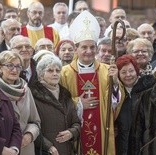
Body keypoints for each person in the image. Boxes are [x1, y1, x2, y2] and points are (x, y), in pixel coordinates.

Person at [60, 10, 124, 155]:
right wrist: (78, 103)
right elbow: (59, 102)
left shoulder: (107, 71)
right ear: (76, 48)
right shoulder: (65, 73)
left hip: (101, 128)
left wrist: (115, 83)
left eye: (92, 47)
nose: (89, 51)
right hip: (76, 131)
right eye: (84, 47)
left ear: (96, 48)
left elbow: (115, 102)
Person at [29, 54, 81, 155]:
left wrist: (72, 132)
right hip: (45, 151)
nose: (55, 74)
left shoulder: (65, 94)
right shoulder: (33, 94)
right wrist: (48, 146)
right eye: (50, 70)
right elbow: (30, 126)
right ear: (40, 74)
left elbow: (76, 123)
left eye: (57, 71)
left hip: (67, 149)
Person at [0, 51, 40, 155]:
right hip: (5, 149)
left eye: (18, 66)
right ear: (0, 67)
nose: (14, 70)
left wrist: (29, 135)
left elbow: (35, 121)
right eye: (10, 66)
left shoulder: (25, 89)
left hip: (25, 148)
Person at [115, 54, 155, 155]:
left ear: (137, 71)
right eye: (123, 72)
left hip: (144, 143)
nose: (128, 75)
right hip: (122, 143)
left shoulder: (149, 87)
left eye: (131, 71)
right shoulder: (116, 92)